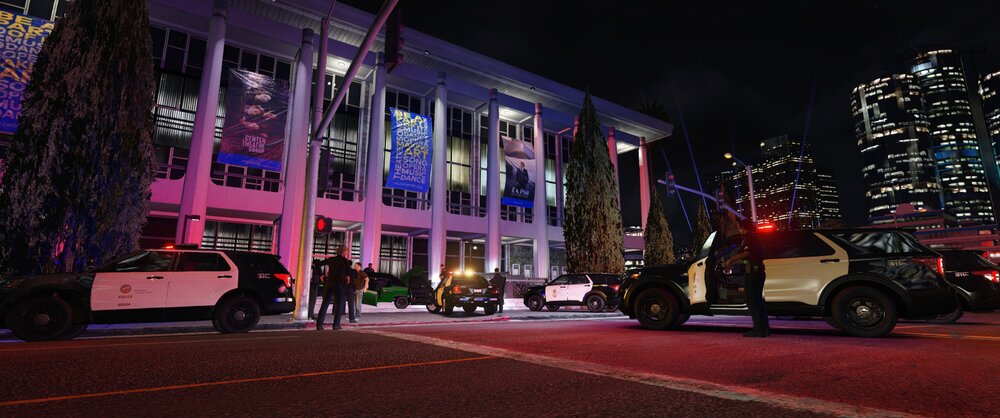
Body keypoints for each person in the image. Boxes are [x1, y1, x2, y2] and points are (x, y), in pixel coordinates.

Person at [721, 220, 770, 338]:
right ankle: (764, 329)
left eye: (739, 227)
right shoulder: (755, 237)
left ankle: (759, 329)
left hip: (753, 273)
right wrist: (737, 262)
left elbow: (747, 254)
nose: (739, 230)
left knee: (752, 301)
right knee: (758, 301)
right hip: (757, 272)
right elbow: (749, 257)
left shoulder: (749, 237)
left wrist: (731, 260)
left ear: (743, 228)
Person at [316, 246, 351, 330]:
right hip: (339, 284)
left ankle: (319, 325)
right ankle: (336, 325)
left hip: (329, 283)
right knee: (339, 304)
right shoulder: (345, 261)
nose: (347, 253)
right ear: (343, 252)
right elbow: (348, 276)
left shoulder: (331, 259)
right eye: (346, 251)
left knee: (325, 304)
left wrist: (321, 275)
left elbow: (317, 264)